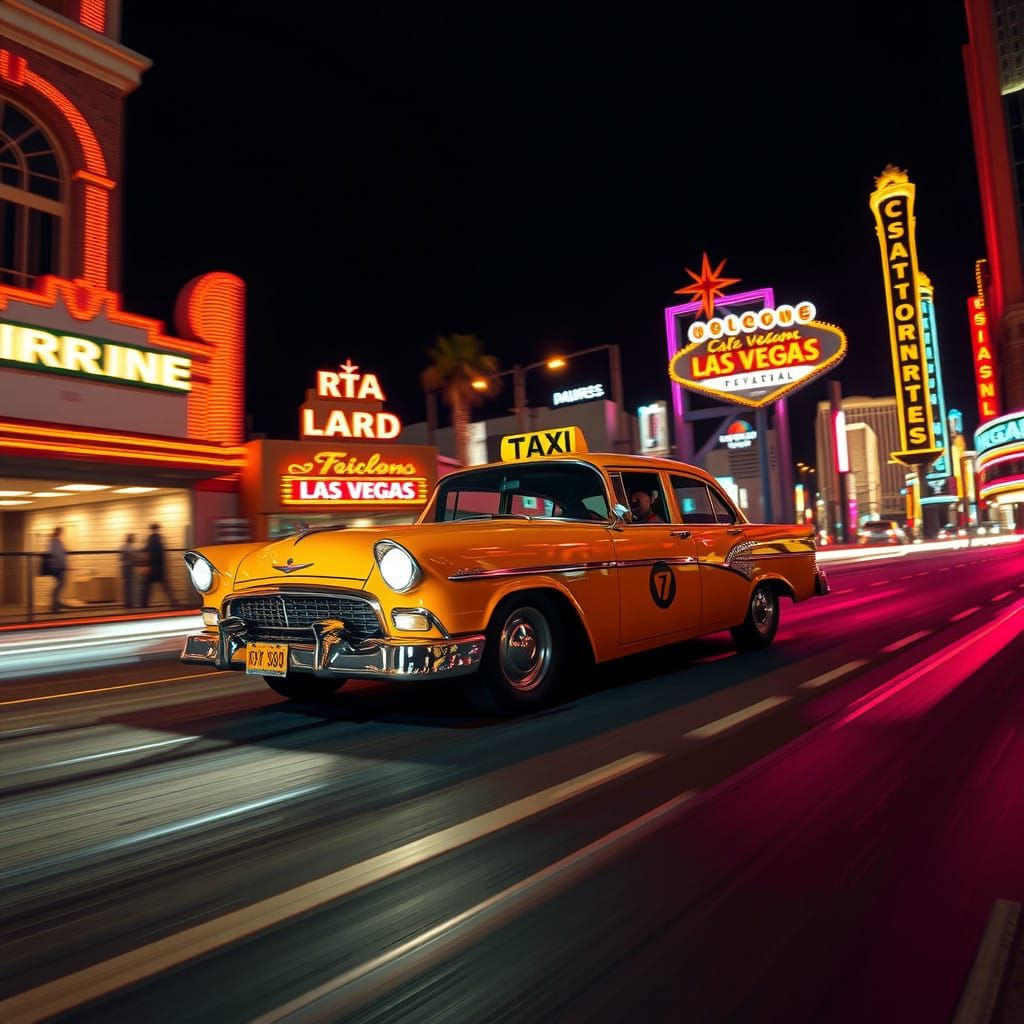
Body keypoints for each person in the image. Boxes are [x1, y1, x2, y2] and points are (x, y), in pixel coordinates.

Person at [140, 523, 175, 607]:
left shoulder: (151, 539)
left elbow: (147, 550)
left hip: (152, 566)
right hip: (159, 566)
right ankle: (173, 602)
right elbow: (161, 553)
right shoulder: (159, 539)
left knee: (147, 587)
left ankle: (144, 604)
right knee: (165, 586)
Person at [48, 526, 68, 612]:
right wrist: (64, 565)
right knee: (61, 584)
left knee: (60, 584)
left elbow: (60, 553)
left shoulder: (55, 541)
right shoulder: (55, 542)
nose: (61, 533)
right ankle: (55, 604)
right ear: (58, 532)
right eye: (60, 531)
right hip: (57, 566)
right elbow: (58, 554)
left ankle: (56, 603)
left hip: (57, 566)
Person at [120, 532, 138, 608]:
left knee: (127, 585)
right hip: (128, 567)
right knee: (129, 585)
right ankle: (129, 603)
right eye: (133, 538)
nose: (134, 539)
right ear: (129, 539)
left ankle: (128, 603)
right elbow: (133, 556)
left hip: (126, 567)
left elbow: (121, 558)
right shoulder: (128, 547)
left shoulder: (123, 547)